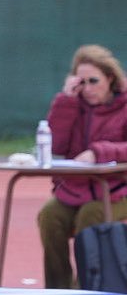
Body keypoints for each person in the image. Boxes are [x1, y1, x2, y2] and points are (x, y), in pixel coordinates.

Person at [37, 44, 127, 289]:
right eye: (81, 82)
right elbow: (56, 144)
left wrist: (99, 152)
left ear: (110, 78)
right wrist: (66, 100)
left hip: (118, 191)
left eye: (93, 81)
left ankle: (84, 289)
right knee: (50, 215)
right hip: (76, 190)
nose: (87, 88)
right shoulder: (74, 104)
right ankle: (57, 289)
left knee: (91, 215)